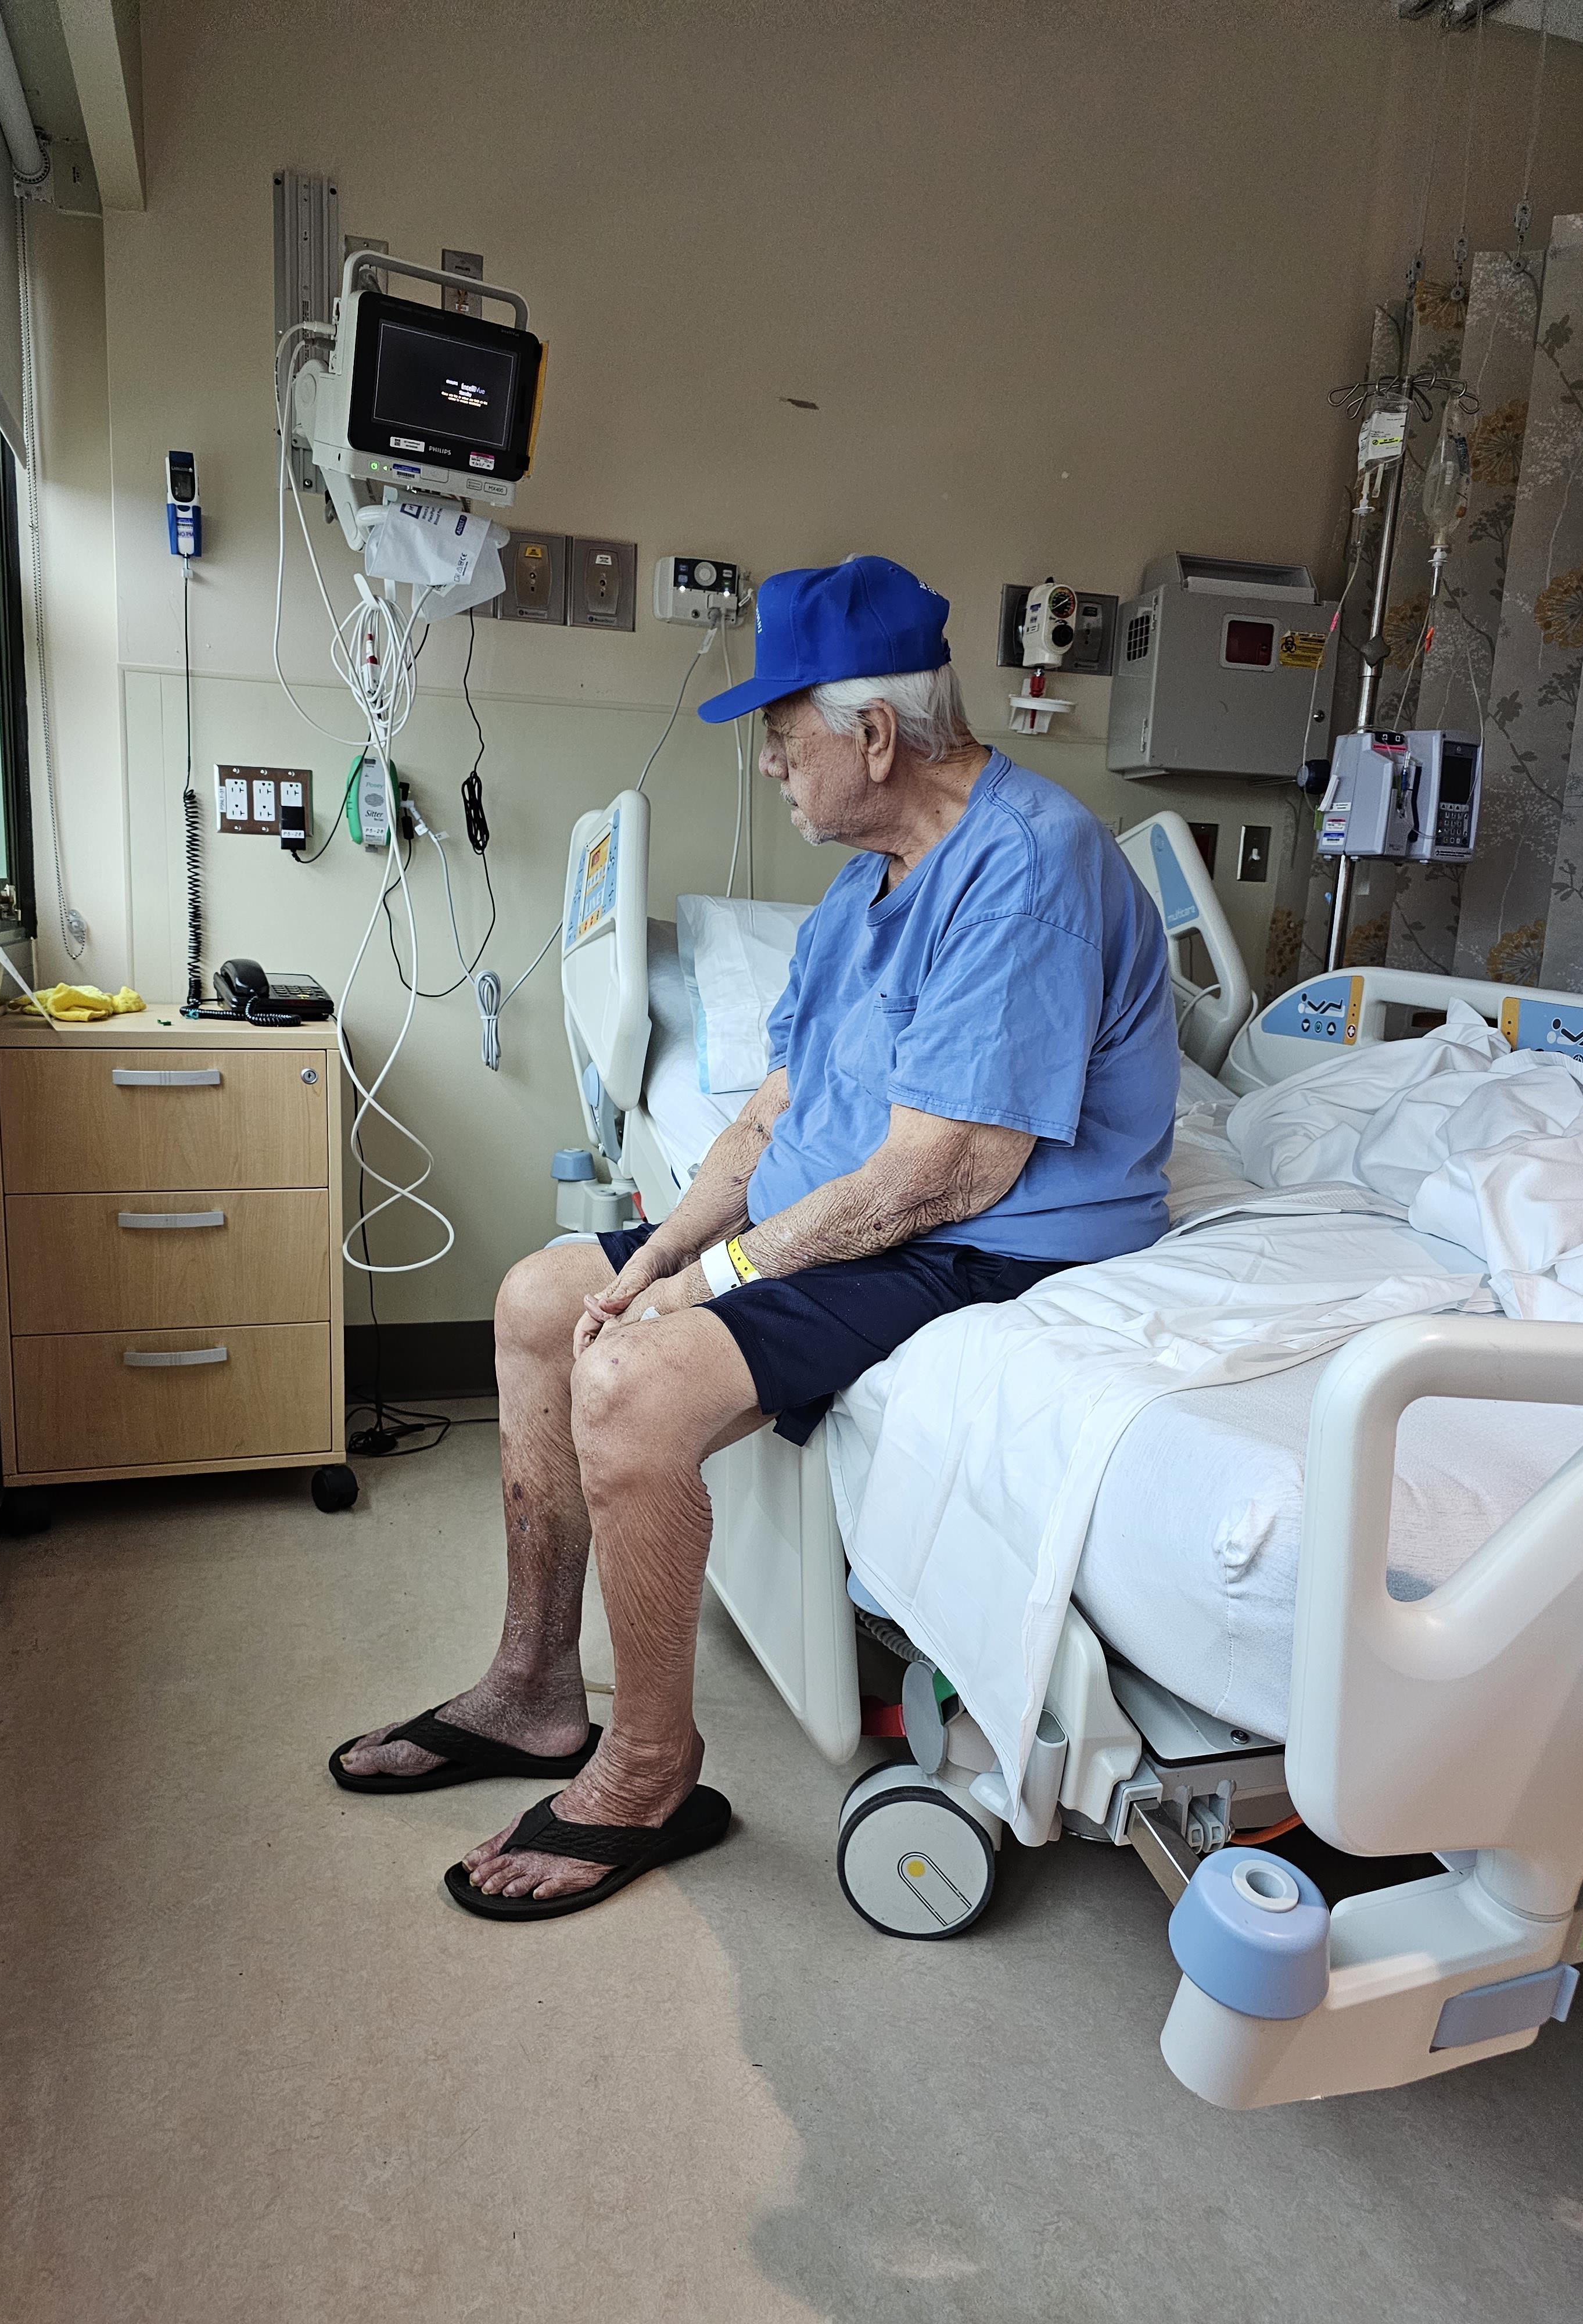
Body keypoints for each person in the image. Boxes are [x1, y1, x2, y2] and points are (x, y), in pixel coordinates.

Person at [331, 555, 1179, 1920]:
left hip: (987, 1236)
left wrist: (714, 1284)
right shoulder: (858, 894)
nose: (776, 773)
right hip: (859, 1210)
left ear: (875, 735)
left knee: (630, 1383)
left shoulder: (1027, 863)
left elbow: (946, 1173)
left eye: (785, 745)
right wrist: (663, 1252)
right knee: (542, 1298)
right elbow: (769, 1119)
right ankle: (537, 1687)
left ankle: (651, 1766)